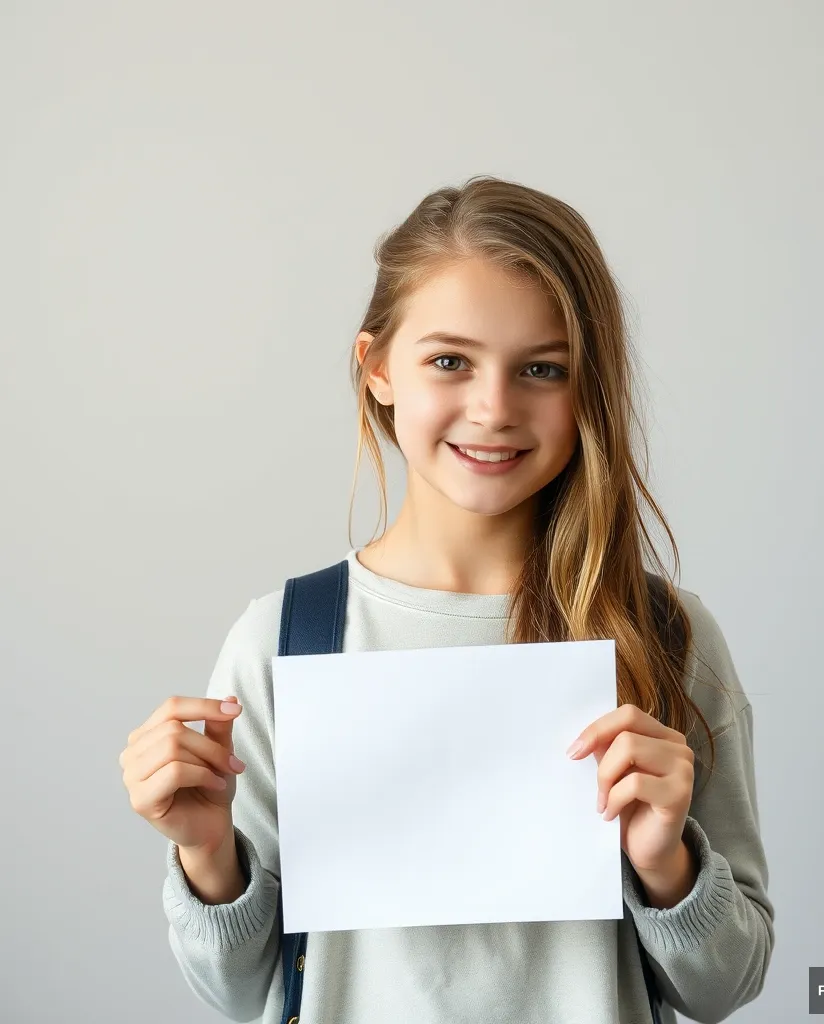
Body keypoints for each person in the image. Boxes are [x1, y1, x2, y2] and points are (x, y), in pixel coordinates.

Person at [119, 175, 774, 1024]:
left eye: (543, 368)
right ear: (379, 370)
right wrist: (210, 855)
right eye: (450, 361)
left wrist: (667, 864)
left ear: (589, 391)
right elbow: (246, 995)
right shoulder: (286, 641)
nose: (494, 407)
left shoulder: (663, 637)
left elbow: (727, 984)